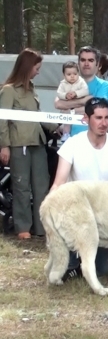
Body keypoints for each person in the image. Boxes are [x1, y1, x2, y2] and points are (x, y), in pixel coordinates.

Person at [50, 97, 108, 281]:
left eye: (107, 118)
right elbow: (59, 183)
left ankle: (89, 261)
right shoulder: (72, 144)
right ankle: (72, 260)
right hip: (78, 212)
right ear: (86, 119)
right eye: (98, 118)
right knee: (69, 272)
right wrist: (52, 208)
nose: (103, 123)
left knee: (106, 271)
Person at [0, 48, 60, 240]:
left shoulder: (32, 89)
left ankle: (42, 228)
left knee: (41, 186)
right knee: (21, 187)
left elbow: (38, 115)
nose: (38, 71)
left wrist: (58, 125)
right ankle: (22, 227)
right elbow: (2, 120)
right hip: (19, 145)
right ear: (27, 67)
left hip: (38, 144)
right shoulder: (8, 90)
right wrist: (4, 145)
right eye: (37, 67)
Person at [54, 46, 108, 136]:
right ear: (78, 63)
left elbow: (97, 110)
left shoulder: (104, 85)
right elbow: (58, 104)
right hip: (70, 139)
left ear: (97, 63)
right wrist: (84, 101)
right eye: (83, 60)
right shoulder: (67, 82)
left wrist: (68, 108)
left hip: (93, 139)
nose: (86, 63)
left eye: (91, 60)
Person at [56, 61, 89, 141]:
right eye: (69, 74)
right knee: (67, 121)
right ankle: (66, 134)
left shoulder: (81, 81)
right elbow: (59, 93)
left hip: (79, 107)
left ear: (78, 73)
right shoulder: (62, 84)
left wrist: (76, 94)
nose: (72, 76)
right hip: (67, 107)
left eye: (75, 74)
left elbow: (86, 91)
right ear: (64, 75)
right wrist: (65, 95)